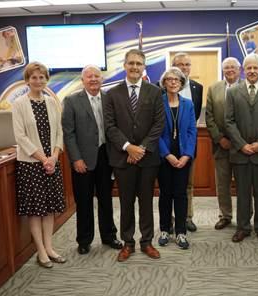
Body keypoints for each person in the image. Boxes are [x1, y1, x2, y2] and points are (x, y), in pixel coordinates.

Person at [103, 49, 165, 262]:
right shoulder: (112, 94)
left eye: (139, 63)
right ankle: (128, 243)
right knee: (126, 202)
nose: (135, 67)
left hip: (147, 159)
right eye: (131, 63)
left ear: (144, 66)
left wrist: (141, 149)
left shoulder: (155, 92)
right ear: (125, 65)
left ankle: (146, 242)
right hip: (122, 159)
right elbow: (109, 127)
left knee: (146, 202)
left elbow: (159, 124)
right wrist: (128, 147)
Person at [62, 65, 122, 255]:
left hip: (106, 156)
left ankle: (109, 236)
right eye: (89, 76)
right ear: (83, 80)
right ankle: (84, 240)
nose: (94, 79)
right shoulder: (71, 101)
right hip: (83, 159)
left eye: (97, 76)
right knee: (84, 201)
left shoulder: (109, 98)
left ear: (102, 79)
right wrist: (76, 159)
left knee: (106, 199)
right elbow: (68, 134)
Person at [12, 62, 66, 268]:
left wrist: (53, 157)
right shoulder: (19, 104)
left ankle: (50, 247)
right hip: (31, 165)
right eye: (34, 77)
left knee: (50, 208)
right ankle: (41, 251)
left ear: (46, 80)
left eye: (42, 77)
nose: (38, 81)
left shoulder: (52, 102)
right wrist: (43, 159)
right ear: (27, 80)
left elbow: (59, 132)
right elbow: (20, 136)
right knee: (36, 210)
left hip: (51, 163)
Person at [225, 54, 258, 244]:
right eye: (248, 68)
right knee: (242, 193)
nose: (252, 71)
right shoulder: (232, 92)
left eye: (255, 68)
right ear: (243, 70)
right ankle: (243, 228)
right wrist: (242, 144)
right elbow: (228, 121)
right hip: (240, 153)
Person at [157, 67, 197, 249]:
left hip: (183, 157)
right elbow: (154, 132)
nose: (173, 82)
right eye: (169, 79)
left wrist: (187, 155)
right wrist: (167, 154)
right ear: (164, 83)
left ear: (182, 84)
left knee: (181, 194)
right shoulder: (158, 102)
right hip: (164, 157)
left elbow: (191, 131)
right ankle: (165, 229)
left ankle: (181, 232)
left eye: (177, 80)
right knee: (165, 194)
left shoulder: (188, 104)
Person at [206, 57, 241, 230]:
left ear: (239, 69)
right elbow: (209, 117)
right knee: (222, 182)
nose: (229, 70)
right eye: (226, 68)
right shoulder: (213, 89)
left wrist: (239, 141)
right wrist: (220, 138)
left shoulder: (246, 87)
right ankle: (225, 215)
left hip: (243, 146)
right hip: (221, 145)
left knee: (243, 183)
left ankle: (244, 216)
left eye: (232, 67)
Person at [171, 52, 203, 232]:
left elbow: (195, 117)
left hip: (189, 145)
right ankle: (170, 218)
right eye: (180, 64)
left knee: (188, 184)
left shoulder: (197, 87)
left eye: (187, 64)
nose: (184, 68)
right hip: (168, 146)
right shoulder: (162, 87)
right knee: (169, 184)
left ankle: (187, 217)